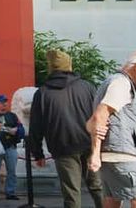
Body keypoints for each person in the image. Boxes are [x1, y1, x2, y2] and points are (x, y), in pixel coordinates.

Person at [28, 49, 102, 208]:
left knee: (71, 192)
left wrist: (37, 153)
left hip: (63, 146)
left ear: (51, 67)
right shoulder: (87, 87)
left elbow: (36, 126)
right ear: (69, 65)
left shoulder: (42, 93)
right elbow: (99, 115)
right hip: (90, 144)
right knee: (98, 187)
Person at [87, 51, 136, 208]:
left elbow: (91, 122)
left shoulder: (113, 82)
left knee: (112, 200)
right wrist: (95, 153)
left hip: (114, 155)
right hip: (122, 155)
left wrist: (97, 151)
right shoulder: (121, 83)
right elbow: (100, 115)